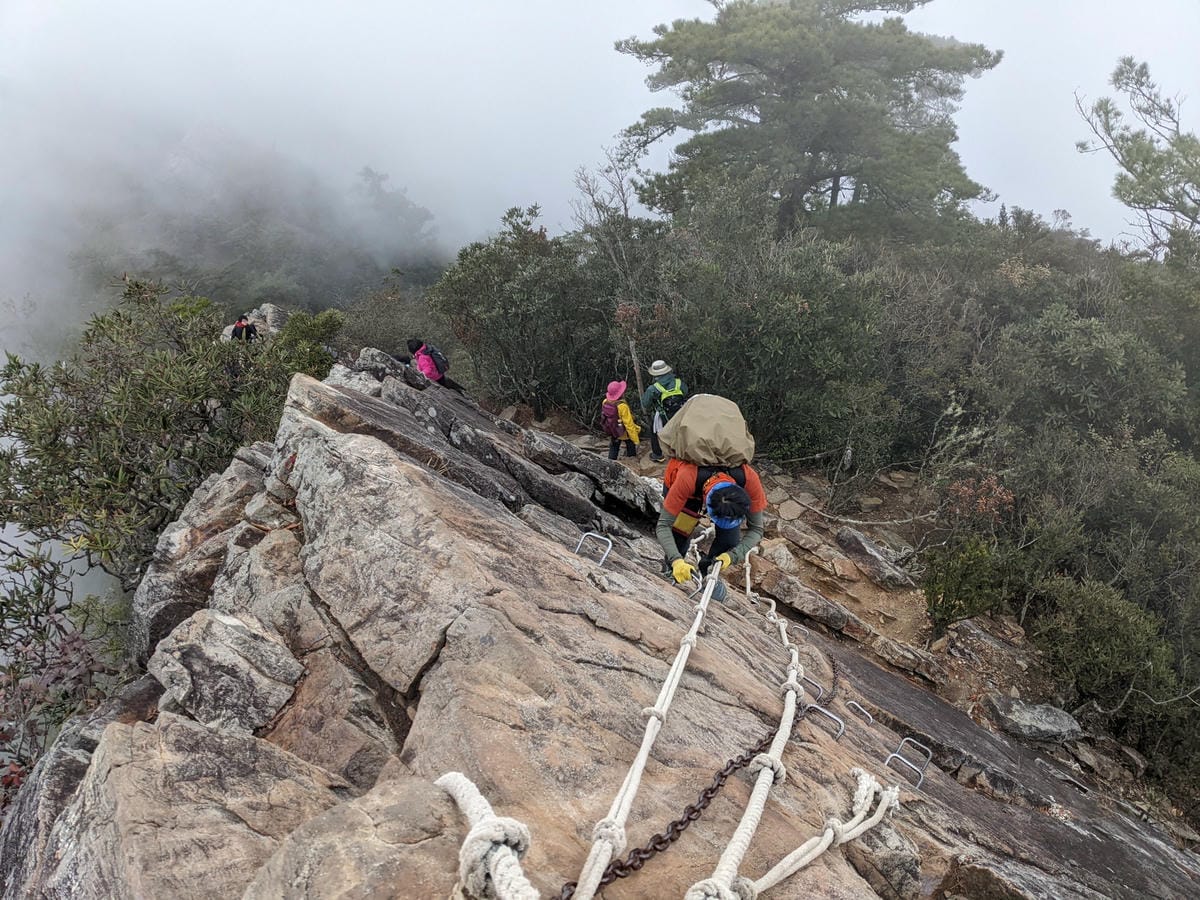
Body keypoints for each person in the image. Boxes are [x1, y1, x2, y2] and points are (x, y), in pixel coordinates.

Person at [640, 360, 687, 463]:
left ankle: (657, 455)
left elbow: (646, 404)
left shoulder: (653, 388)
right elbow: (685, 393)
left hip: (662, 416)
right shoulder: (679, 383)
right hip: (680, 413)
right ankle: (681, 454)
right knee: (679, 432)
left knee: (654, 432)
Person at [600, 380, 641, 460]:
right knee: (630, 444)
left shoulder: (605, 402)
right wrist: (636, 440)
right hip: (623, 431)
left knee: (614, 446)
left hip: (613, 429)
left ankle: (610, 461)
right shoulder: (622, 406)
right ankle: (631, 460)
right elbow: (629, 424)